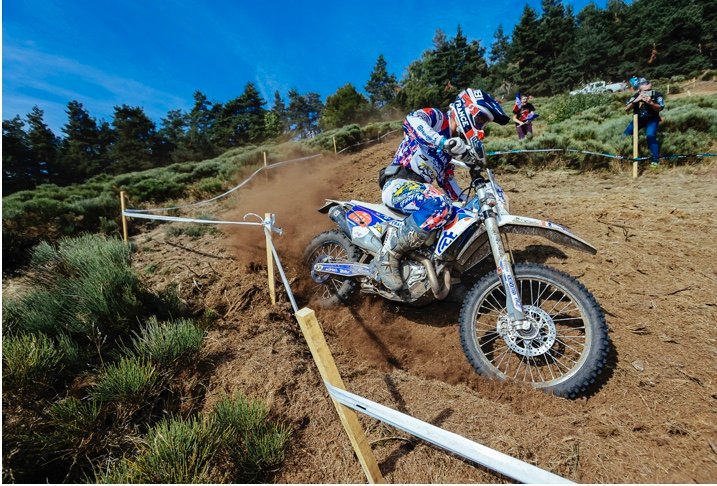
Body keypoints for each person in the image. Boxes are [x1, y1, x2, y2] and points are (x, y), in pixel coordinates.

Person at [375, 88, 510, 290]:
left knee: (463, 212)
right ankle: (388, 255)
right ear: (466, 109)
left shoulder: (449, 153)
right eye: (481, 119)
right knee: (439, 204)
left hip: (420, 191)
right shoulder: (438, 119)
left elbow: (449, 184)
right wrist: (443, 142)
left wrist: (473, 205)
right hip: (397, 183)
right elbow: (411, 121)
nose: (481, 127)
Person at [624, 77, 665, 167]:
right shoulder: (635, 96)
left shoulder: (657, 95)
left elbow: (660, 108)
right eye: (644, 90)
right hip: (638, 120)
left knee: (650, 136)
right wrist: (636, 101)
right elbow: (626, 109)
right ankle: (624, 155)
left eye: (649, 89)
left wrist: (651, 103)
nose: (647, 92)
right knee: (625, 136)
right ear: (639, 89)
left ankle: (655, 160)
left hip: (652, 119)